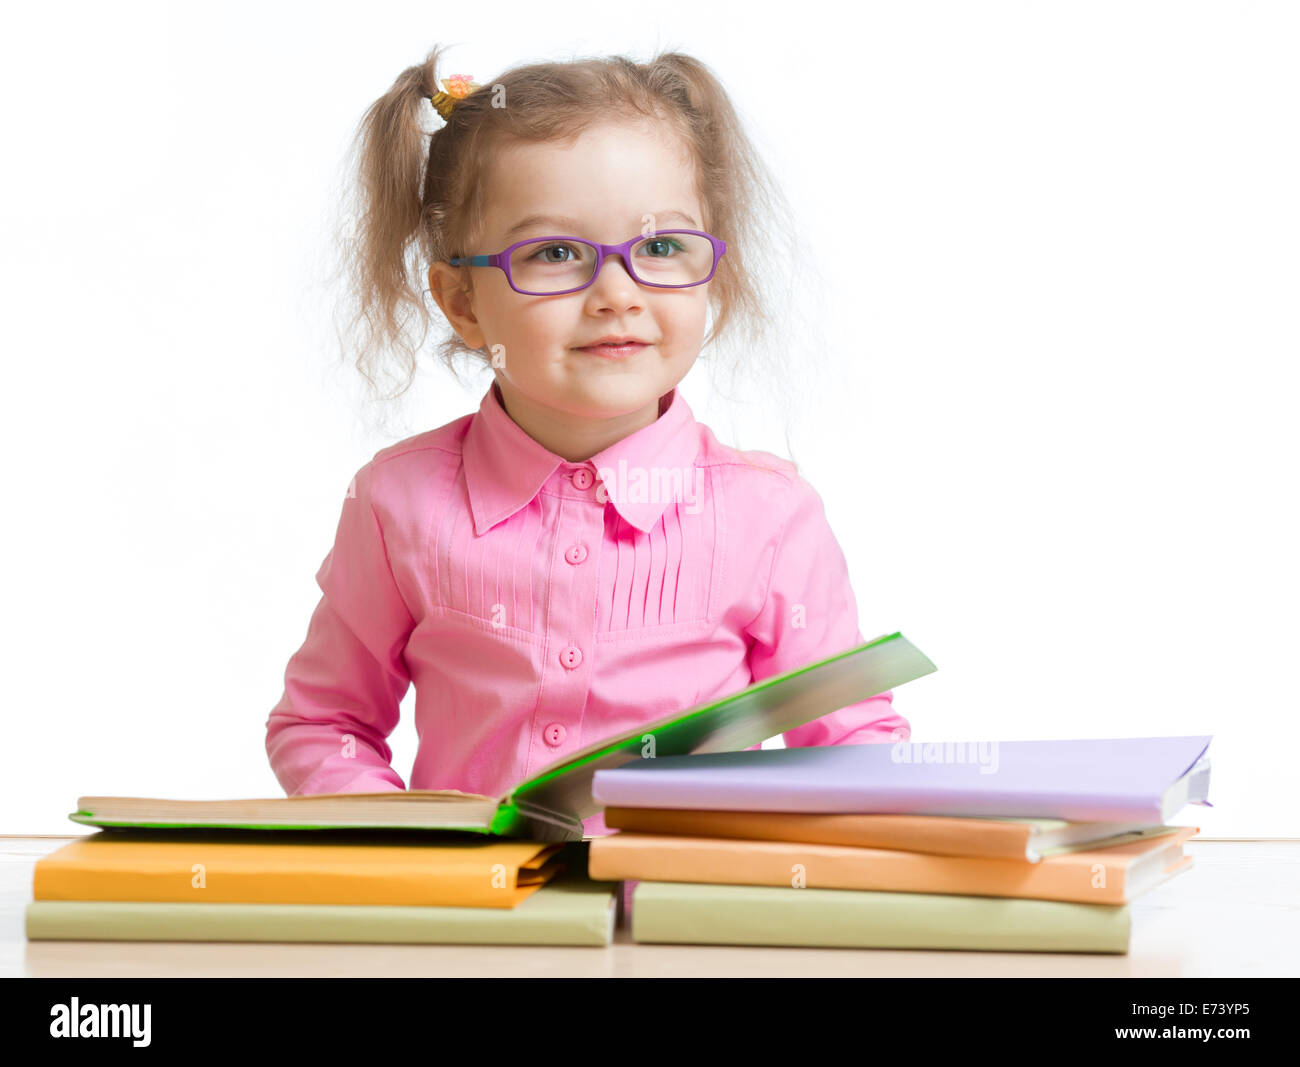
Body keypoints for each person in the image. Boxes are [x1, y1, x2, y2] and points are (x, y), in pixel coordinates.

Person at [265, 45, 910, 839]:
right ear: (462, 300)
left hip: (685, 931)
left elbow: (849, 743)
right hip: (477, 933)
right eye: (556, 254)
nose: (618, 295)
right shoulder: (398, 502)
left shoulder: (770, 517)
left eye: (663, 248)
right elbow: (322, 723)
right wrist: (409, 848)